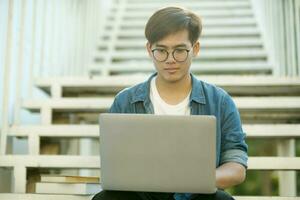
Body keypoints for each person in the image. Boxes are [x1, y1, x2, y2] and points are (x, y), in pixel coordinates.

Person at [92, 6, 248, 200]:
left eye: (180, 50)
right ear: (150, 49)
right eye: (161, 51)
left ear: (195, 49)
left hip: (196, 196)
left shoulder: (220, 102)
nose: (170, 60)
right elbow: (114, 164)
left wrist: (194, 180)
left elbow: (236, 167)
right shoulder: (126, 101)